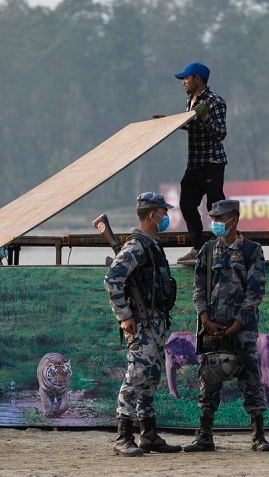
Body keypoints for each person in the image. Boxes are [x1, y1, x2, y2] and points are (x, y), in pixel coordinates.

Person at [183, 199, 269, 453]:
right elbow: (198, 288)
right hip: (211, 328)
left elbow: (256, 291)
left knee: (251, 380)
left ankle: (258, 435)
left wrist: (237, 324)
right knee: (208, 381)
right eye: (214, 218)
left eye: (220, 218)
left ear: (234, 218)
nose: (216, 223)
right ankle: (204, 436)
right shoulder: (207, 251)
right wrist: (204, 319)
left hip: (241, 330)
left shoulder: (252, 251)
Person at [103, 192, 182, 456]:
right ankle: (123, 436)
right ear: (152, 215)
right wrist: (124, 315)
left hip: (156, 321)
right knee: (136, 375)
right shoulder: (136, 246)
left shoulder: (152, 244)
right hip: (141, 323)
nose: (166, 217)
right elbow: (112, 278)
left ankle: (148, 434)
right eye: (164, 212)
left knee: (151, 377)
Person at [172, 62, 228, 264]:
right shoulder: (190, 100)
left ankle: (221, 247)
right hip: (194, 163)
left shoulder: (215, 102)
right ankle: (198, 247)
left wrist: (205, 117)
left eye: (186, 78)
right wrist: (170, 124)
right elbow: (191, 126)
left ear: (198, 79)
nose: (183, 82)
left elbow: (220, 133)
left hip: (212, 162)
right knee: (186, 204)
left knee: (216, 208)